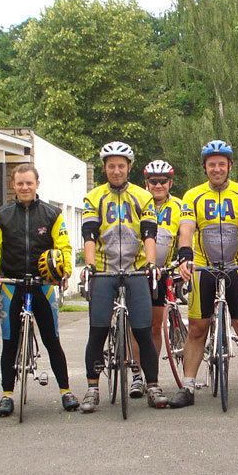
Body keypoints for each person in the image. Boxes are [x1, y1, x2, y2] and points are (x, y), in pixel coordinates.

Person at [169, 140, 238, 407]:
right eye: (212, 165)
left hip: (237, 266)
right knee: (197, 328)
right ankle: (188, 387)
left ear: (230, 166)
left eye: (222, 164)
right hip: (204, 268)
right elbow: (186, 229)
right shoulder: (192, 196)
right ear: (205, 168)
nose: (217, 169)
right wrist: (185, 257)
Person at [0, 163, 78, 416]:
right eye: (20, 183)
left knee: (52, 339)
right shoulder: (0, 214)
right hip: (12, 285)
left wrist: (65, 271)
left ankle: (65, 391)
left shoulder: (52, 214)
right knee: (9, 341)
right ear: (13, 185)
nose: (25, 187)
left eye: (29, 182)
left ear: (37, 184)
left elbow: (64, 246)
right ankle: (7, 394)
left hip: (42, 285)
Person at [79, 141, 168, 412]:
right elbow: (90, 234)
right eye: (111, 166)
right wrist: (91, 266)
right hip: (105, 271)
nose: (116, 171)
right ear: (105, 168)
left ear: (129, 167)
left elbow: (149, 234)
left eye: (121, 166)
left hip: (135, 269)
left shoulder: (142, 197)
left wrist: (151, 264)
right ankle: (92, 389)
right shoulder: (94, 197)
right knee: (98, 331)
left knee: (143, 331)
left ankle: (152, 386)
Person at [144, 160, 185, 379]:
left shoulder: (179, 206)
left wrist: (183, 259)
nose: (158, 185)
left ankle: (152, 372)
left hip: (163, 271)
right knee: (138, 325)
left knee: (155, 325)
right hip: (140, 271)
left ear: (170, 183)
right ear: (146, 183)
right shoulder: (139, 203)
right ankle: (137, 372)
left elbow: (187, 235)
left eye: (162, 181)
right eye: (153, 181)